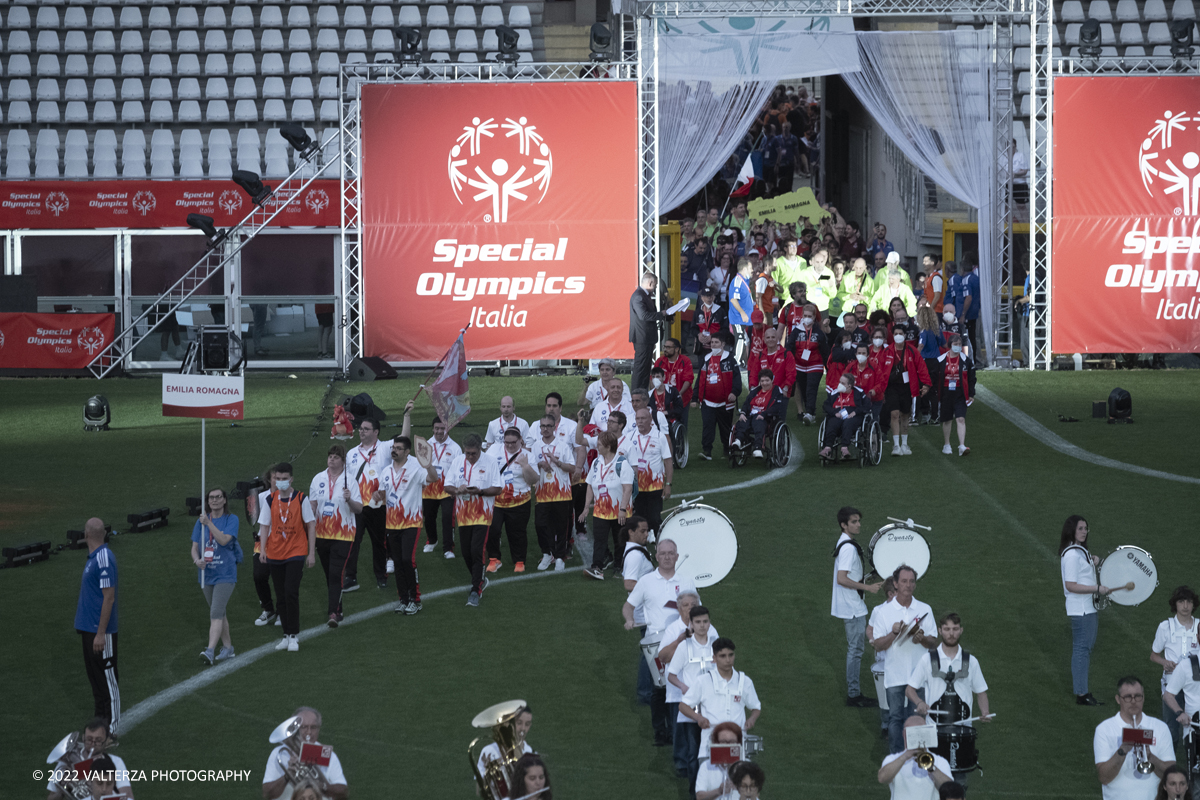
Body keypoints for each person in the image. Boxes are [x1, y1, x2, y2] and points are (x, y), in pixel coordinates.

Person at [624, 538, 699, 747]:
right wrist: (629, 619)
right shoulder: (646, 581)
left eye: (671, 553)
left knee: (679, 685)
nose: (667, 557)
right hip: (656, 641)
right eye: (663, 553)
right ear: (656, 557)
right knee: (660, 688)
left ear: (676, 556)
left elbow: (697, 609)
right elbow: (628, 606)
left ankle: (678, 728)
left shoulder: (687, 581)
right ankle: (661, 731)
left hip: (684, 639)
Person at [907, 612, 992, 783]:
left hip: (962, 731)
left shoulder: (971, 661)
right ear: (940, 631)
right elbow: (910, 689)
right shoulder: (927, 659)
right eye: (946, 629)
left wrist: (985, 711)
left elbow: (981, 691)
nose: (951, 633)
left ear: (961, 630)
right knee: (932, 781)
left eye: (954, 629)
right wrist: (920, 702)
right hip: (934, 730)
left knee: (959, 782)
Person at [872, 565, 938, 753]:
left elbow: (932, 643)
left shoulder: (925, 609)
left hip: (919, 676)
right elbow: (877, 645)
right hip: (895, 675)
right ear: (895, 583)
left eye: (911, 581)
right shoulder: (883, 612)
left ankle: (917, 759)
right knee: (895, 719)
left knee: (917, 719)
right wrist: (894, 633)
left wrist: (921, 638)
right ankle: (896, 759)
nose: (908, 585)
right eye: (904, 581)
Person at [258, 463, 317, 652]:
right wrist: (263, 550)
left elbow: (311, 525)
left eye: (284, 479)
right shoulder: (270, 499)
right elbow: (265, 526)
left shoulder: (301, 498)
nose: (281, 482)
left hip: (295, 552)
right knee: (281, 595)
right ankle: (285, 634)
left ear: (291, 479)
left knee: (291, 592)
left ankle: (294, 635)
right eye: (277, 479)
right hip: (275, 552)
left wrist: (311, 553)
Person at [375, 436, 437, 614]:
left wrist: (428, 464)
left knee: (407, 560)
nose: (394, 450)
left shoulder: (415, 468)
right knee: (397, 562)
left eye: (399, 448)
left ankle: (415, 600)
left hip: (411, 522)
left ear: (408, 451)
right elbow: (383, 495)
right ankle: (403, 599)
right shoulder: (386, 471)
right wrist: (378, 497)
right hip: (392, 523)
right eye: (393, 447)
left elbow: (433, 478)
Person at [445, 433, 504, 607]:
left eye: (473, 453)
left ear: (480, 450)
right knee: (466, 552)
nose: (470, 457)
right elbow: (447, 486)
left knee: (477, 550)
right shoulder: (457, 462)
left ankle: (475, 590)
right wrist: (457, 490)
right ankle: (479, 578)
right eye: (467, 453)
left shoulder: (490, 462)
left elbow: (498, 488)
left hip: (482, 514)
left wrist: (480, 492)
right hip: (463, 515)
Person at [832, 507, 882, 707]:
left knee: (856, 649)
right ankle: (854, 695)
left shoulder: (845, 544)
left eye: (858, 520)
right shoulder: (848, 548)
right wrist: (867, 587)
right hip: (852, 606)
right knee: (855, 650)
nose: (858, 524)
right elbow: (842, 578)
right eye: (854, 521)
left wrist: (870, 576)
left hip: (852, 604)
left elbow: (848, 575)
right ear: (844, 525)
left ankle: (855, 693)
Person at [679, 637, 762, 759]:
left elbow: (755, 707)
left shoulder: (745, 682)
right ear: (714, 658)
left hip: (737, 744)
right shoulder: (703, 681)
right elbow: (683, 705)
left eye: (731, 655)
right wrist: (698, 718)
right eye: (722, 656)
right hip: (710, 745)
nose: (728, 660)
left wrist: (752, 719)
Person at [308, 446, 363, 628]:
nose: (331, 460)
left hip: (343, 535)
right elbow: (313, 505)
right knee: (329, 575)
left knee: (335, 573)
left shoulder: (351, 481)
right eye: (330, 456)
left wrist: (349, 499)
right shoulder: (318, 479)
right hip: (322, 534)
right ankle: (338, 607)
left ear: (342, 461)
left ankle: (333, 613)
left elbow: (359, 509)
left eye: (336, 457)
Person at [1095, 676, 1175, 798]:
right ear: (1118, 699)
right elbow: (1104, 777)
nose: (1133, 701)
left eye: (1137, 696)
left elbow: (1172, 776)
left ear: (1143, 698)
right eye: (1127, 697)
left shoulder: (1160, 727)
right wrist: (1122, 751)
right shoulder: (1104, 729)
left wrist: (1151, 757)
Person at [76, 518, 120, 734]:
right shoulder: (95, 558)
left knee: (107, 682)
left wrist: (101, 633)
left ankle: (111, 731)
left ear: (86, 535)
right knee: (96, 681)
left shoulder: (103, 558)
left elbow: (108, 597)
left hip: (100, 633)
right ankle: (99, 726)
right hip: (89, 630)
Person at [1061, 514, 1109, 705]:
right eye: (1080, 528)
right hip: (1081, 609)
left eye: (1085, 528)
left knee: (1084, 649)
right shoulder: (1072, 554)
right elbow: (1071, 585)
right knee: (1082, 650)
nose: (1083, 532)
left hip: (1086, 608)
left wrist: (1094, 560)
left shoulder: (1079, 551)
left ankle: (1082, 692)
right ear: (1071, 530)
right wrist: (1097, 588)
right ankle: (1082, 694)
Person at [667, 604, 717, 789]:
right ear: (691, 624)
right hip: (691, 709)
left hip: (713, 706)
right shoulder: (684, 647)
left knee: (715, 751)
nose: (702, 625)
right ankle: (695, 793)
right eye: (698, 622)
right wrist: (684, 687)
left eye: (705, 621)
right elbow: (671, 675)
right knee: (694, 752)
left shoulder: (716, 644)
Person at [191, 487, 240, 663]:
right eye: (211, 498)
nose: (215, 500)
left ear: (225, 500)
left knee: (216, 612)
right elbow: (194, 548)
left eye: (218, 497)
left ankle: (210, 651)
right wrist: (197, 561)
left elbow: (224, 540)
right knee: (220, 612)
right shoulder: (200, 522)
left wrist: (209, 523)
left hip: (225, 574)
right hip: (206, 574)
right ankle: (228, 648)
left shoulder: (231, 519)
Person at [482, 427, 539, 575]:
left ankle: (519, 561)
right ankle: (494, 559)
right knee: (493, 530)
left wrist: (525, 466)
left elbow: (533, 480)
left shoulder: (528, 456)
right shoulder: (494, 450)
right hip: (496, 501)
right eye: (507, 442)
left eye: (513, 442)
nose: (510, 446)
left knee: (517, 533)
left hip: (519, 502)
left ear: (520, 440)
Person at [345, 417, 393, 591]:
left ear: (376, 432)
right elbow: (348, 479)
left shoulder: (385, 448)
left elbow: (404, 437)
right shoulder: (351, 453)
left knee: (379, 543)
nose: (361, 431)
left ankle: (381, 576)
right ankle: (350, 577)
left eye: (366, 428)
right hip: (357, 505)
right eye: (360, 428)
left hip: (378, 505)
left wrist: (407, 416)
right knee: (353, 540)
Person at [580, 431, 635, 581]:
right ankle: (596, 567)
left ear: (608, 446)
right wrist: (586, 507)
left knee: (620, 541)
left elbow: (627, 489)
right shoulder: (597, 463)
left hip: (619, 511)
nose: (597, 446)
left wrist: (623, 509)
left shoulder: (622, 464)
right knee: (600, 540)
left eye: (599, 444)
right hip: (600, 511)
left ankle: (619, 566)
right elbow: (590, 485)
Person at [263, 707, 348, 800]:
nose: (309, 732)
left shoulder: (327, 754)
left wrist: (322, 786)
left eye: (313, 727)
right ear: (294, 728)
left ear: (318, 729)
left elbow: (343, 793)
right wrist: (288, 775)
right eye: (303, 727)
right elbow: (267, 794)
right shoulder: (278, 754)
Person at [1153, 586, 1200, 749]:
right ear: (1175, 604)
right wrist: (1164, 662)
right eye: (1181, 602)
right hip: (1172, 683)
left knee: (1195, 722)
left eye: (1189, 602)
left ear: (1194, 605)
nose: (1185, 606)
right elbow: (1154, 655)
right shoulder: (1165, 626)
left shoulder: (1199, 626)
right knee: (1171, 727)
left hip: (1194, 686)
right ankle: (1169, 763)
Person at [531, 414, 579, 573]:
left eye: (548, 426)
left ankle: (559, 557)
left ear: (554, 428)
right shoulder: (536, 447)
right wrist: (539, 464)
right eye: (542, 426)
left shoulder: (563, 446)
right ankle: (547, 553)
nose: (545, 429)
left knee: (561, 527)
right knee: (541, 525)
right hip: (542, 494)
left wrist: (557, 462)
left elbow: (572, 468)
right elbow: (530, 469)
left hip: (562, 494)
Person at [876, 324, 932, 456]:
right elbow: (879, 370)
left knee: (905, 415)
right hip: (891, 387)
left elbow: (922, 368)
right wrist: (880, 387)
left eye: (900, 333)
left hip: (907, 387)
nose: (898, 336)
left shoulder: (912, 351)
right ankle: (896, 446)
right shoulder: (887, 351)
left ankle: (904, 444)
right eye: (895, 334)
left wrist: (926, 384)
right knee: (894, 414)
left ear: (905, 335)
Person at [47, 718, 133, 799]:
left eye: (98, 740)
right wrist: (64, 789)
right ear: (83, 738)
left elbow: (128, 796)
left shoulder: (116, 762)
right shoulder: (65, 763)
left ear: (106, 741)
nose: (93, 744)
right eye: (89, 739)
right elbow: (51, 797)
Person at [878, 716, 952, 798]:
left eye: (920, 733)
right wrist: (905, 756)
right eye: (912, 734)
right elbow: (882, 778)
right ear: (904, 735)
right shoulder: (892, 759)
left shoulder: (939, 761)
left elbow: (949, 789)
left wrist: (931, 767)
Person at [698, 331, 743, 461]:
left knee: (725, 428)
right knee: (708, 426)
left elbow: (737, 379)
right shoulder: (706, 359)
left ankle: (726, 449)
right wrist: (696, 397)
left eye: (716, 342)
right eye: (712, 342)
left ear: (723, 344)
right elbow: (700, 380)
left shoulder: (730, 359)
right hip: (708, 401)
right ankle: (707, 451)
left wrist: (734, 392)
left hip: (725, 402)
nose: (713, 345)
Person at [421, 415, 462, 559]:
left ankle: (448, 548)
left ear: (448, 428)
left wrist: (455, 488)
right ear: (432, 429)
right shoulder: (426, 445)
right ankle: (432, 540)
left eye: (442, 428)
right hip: (429, 489)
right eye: (437, 428)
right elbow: (420, 467)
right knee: (429, 518)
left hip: (447, 490)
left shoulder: (455, 448)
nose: (439, 431)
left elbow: (459, 470)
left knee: (447, 518)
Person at [629, 406, 673, 538]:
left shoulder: (659, 437)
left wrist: (668, 484)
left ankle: (658, 541)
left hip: (655, 485)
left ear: (650, 420)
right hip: (636, 486)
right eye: (637, 419)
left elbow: (668, 461)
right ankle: (642, 541)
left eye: (643, 418)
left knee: (654, 518)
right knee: (639, 518)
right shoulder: (629, 437)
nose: (640, 421)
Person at [732, 368, 787, 459]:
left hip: (765, 417)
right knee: (742, 421)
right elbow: (746, 403)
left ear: (772, 380)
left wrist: (764, 414)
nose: (764, 383)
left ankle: (758, 447)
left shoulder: (776, 391)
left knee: (758, 423)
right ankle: (738, 441)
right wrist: (743, 413)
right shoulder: (755, 391)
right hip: (751, 415)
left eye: (767, 380)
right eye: (762, 381)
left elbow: (777, 407)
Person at [868, 577, 899, 737]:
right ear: (890, 593)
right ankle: (886, 725)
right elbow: (870, 628)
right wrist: (872, 640)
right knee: (884, 695)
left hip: (901, 660)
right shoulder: (879, 610)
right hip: (884, 659)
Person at [786, 303, 826, 424]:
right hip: (799, 365)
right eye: (805, 315)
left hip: (816, 364)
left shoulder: (819, 332)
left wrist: (828, 366)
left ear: (814, 318)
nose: (807, 318)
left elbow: (824, 349)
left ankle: (810, 413)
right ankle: (809, 410)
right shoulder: (796, 331)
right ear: (802, 316)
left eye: (810, 316)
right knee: (803, 389)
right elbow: (789, 347)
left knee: (811, 388)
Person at [935, 335, 975, 456]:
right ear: (950, 345)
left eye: (959, 344)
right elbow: (936, 378)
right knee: (947, 419)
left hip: (960, 393)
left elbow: (972, 378)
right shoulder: (941, 360)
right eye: (955, 344)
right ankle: (946, 445)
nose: (958, 346)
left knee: (960, 418)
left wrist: (971, 394)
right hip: (946, 393)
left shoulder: (966, 360)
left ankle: (961, 445)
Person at [631, 271, 669, 390]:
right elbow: (644, 316)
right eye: (656, 285)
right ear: (650, 283)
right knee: (641, 367)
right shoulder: (638, 296)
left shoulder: (643, 295)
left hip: (646, 336)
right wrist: (660, 314)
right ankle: (636, 393)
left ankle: (642, 392)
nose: (656, 287)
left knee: (645, 367)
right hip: (642, 337)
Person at [819, 373, 870, 460]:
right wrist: (834, 412)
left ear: (849, 386)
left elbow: (867, 405)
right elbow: (826, 405)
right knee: (832, 423)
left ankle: (844, 448)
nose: (840, 385)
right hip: (837, 415)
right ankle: (827, 448)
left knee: (848, 423)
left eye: (843, 383)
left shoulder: (858, 392)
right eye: (840, 382)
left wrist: (855, 412)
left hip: (853, 415)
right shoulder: (834, 393)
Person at [476, 706, 535, 776]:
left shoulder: (529, 751)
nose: (523, 728)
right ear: (510, 724)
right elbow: (480, 782)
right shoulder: (488, 751)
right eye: (519, 723)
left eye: (527, 724)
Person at [694, 721, 744, 800]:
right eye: (723, 742)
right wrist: (719, 791)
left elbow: (754, 795)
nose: (728, 746)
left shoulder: (746, 767)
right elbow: (700, 797)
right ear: (716, 743)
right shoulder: (706, 766)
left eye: (732, 742)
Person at [654, 337, 694, 423]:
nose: (665, 349)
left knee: (681, 426)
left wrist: (678, 395)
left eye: (668, 347)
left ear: (676, 349)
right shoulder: (660, 361)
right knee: (662, 425)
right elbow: (653, 379)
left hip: (681, 398)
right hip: (663, 399)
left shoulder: (685, 361)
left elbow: (688, 380)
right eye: (665, 347)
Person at [916, 304, 942, 425]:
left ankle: (926, 414)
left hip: (926, 362)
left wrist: (914, 356)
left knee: (924, 389)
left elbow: (921, 346)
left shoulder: (923, 332)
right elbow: (943, 343)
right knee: (934, 390)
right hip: (936, 361)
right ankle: (935, 415)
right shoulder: (936, 330)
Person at [728, 258, 755, 360]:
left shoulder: (744, 281)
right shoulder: (737, 282)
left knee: (745, 340)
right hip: (738, 318)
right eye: (750, 268)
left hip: (745, 319)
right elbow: (733, 300)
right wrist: (742, 313)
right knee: (740, 338)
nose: (752, 270)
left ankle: (743, 361)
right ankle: (737, 362)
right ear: (744, 269)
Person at [694, 286, 728, 359]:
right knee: (702, 368)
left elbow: (725, 329)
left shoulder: (720, 311)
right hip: (701, 347)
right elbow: (693, 328)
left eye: (711, 296)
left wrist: (712, 337)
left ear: (714, 297)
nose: (709, 298)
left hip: (716, 346)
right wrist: (698, 334)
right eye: (707, 296)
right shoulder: (697, 312)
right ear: (702, 298)